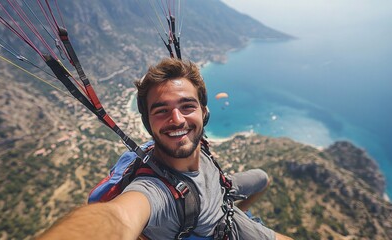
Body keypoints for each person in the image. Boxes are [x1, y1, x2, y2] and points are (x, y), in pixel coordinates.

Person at [39, 58, 293, 240]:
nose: (177, 119)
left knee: (263, 178)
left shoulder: (195, 142)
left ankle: (238, 211)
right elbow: (118, 218)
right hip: (216, 224)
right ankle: (238, 220)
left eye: (187, 106)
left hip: (221, 189)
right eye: (161, 110)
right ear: (148, 123)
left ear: (204, 113)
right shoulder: (154, 192)